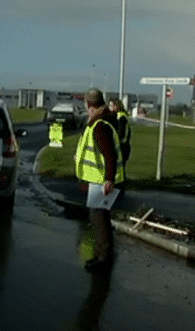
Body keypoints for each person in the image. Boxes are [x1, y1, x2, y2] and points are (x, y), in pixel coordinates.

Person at [75, 88, 124, 271]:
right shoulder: (100, 123)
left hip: (101, 181)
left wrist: (108, 180)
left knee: (98, 217)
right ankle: (101, 254)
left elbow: (109, 155)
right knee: (100, 217)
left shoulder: (99, 126)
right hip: (98, 180)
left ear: (90, 106)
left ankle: (103, 258)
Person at [108, 98, 131, 169]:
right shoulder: (119, 115)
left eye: (111, 105)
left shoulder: (121, 117)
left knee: (118, 169)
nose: (109, 107)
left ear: (116, 106)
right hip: (122, 145)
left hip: (122, 146)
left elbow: (121, 134)